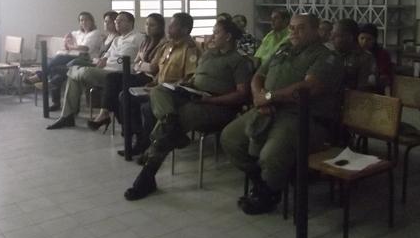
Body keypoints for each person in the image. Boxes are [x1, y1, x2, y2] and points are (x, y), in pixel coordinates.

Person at [220, 14, 344, 215]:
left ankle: (269, 193)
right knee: (230, 137)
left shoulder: (325, 57)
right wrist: (259, 97)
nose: (293, 32)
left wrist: (269, 96)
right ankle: (263, 183)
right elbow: (258, 75)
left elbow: (309, 87)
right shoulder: (283, 50)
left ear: (316, 30)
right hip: (267, 110)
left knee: (271, 154)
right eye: (292, 28)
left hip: (302, 117)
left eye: (300, 28)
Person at [124, 19, 252, 200]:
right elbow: (196, 77)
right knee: (159, 90)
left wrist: (214, 100)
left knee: (177, 119)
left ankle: (147, 177)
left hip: (216, 105)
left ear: (229, 37)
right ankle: (170, 122)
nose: (211, 36)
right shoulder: (209, 55)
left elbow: (242, 95)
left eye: (216, 33)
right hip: (193, 94)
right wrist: (185, 84)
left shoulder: (238, 60)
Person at [117, 12, 202, 157]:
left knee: (146, 107)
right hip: (157, 88)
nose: (169, 27)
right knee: (125, 95)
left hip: (171, 93)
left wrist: (165, 87)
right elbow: (159, 71)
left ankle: (146, 146)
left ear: (185, 30)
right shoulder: (167, 46)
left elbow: (189, 78)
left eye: (173, 25)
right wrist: (153, 83)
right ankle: (138, 136)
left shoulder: (190, 48)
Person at [45, 12, 143, 130]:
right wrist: (104, 59)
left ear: (130, 23)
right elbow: (107, 54)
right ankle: (67, 116)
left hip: (119, 74)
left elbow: (134, 59)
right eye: (116, 21)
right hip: (104, 70)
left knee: (80, 71)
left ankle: (68, 113)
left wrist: (107, 61)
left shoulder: (138, 37)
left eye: (120, 21)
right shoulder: (117, 39)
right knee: (73, 77)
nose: (117, 23)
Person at [88, 13, 167, 141]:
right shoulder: (146, 42)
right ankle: (123, 125)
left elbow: (154, 68)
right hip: (139, 74)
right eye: (147, 24)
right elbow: (136, 63)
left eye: (152, 25)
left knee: (119, 88)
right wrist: (141, 64)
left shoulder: (163, 44)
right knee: (114, 81)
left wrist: (141, 64)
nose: (148, 27)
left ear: (160, 27)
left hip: (152, 79)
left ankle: (126, 127)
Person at [27, 11, 103, 111]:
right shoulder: (78, 33)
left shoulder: (95, 33)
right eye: (81, 20)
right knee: (56, 69)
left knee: (58, 58)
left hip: (86, 59)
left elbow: (84, 48)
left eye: (86, 20)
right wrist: (67, 38)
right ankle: (55, 101)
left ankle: (40, 75)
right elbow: (69, 36)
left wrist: (70, 46)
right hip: (74, 58)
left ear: (92, 21)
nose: (84, 22)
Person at [330, 19, 378, 92]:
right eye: (332, 34)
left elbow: (363, 90)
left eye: (337, 35)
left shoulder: (365, 58)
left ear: (350, 37)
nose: (332, 38)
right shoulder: (331, 54)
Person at [358, 23, 393, 94]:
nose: (364, 42)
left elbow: (386, 77)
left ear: (375, 40)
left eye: (369, 39)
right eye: (362, 38)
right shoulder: (355, 53)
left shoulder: (382, 54)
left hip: (375, 91)